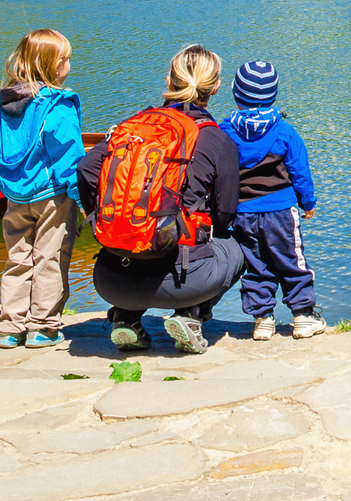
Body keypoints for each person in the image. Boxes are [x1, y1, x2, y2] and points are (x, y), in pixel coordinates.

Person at [77, 44, 244, 354]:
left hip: (111, 277)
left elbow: (87, 168)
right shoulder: (217, 139)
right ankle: (190, 315)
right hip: (182, 283)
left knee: (141, 237)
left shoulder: (132, 128)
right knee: (237, 249)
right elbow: (225, 215)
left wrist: (102, 218)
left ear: (169, 81)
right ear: (216, 87)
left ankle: (126, 318)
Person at [0, 28, 85, 349]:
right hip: (51, 196)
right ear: (53, 66)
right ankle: (43, 326)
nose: (69, 64)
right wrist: (82, 198)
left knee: (18, 258)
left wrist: (10, 186)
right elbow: (70, 156)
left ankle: (10, 328)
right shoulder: (58, 106)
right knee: (50, 258)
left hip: (16, 196)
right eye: (66, 59)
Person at [220, 60, 324, 340]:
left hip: (242, 212)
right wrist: (308, 202)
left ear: (235, 93)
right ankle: (303, 316)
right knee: (292, 260)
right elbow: (300, 171)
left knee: (256, 264)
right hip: (280, 211)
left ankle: (263, 319)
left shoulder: (225, 131)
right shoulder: (284, 132)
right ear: (274, 95)